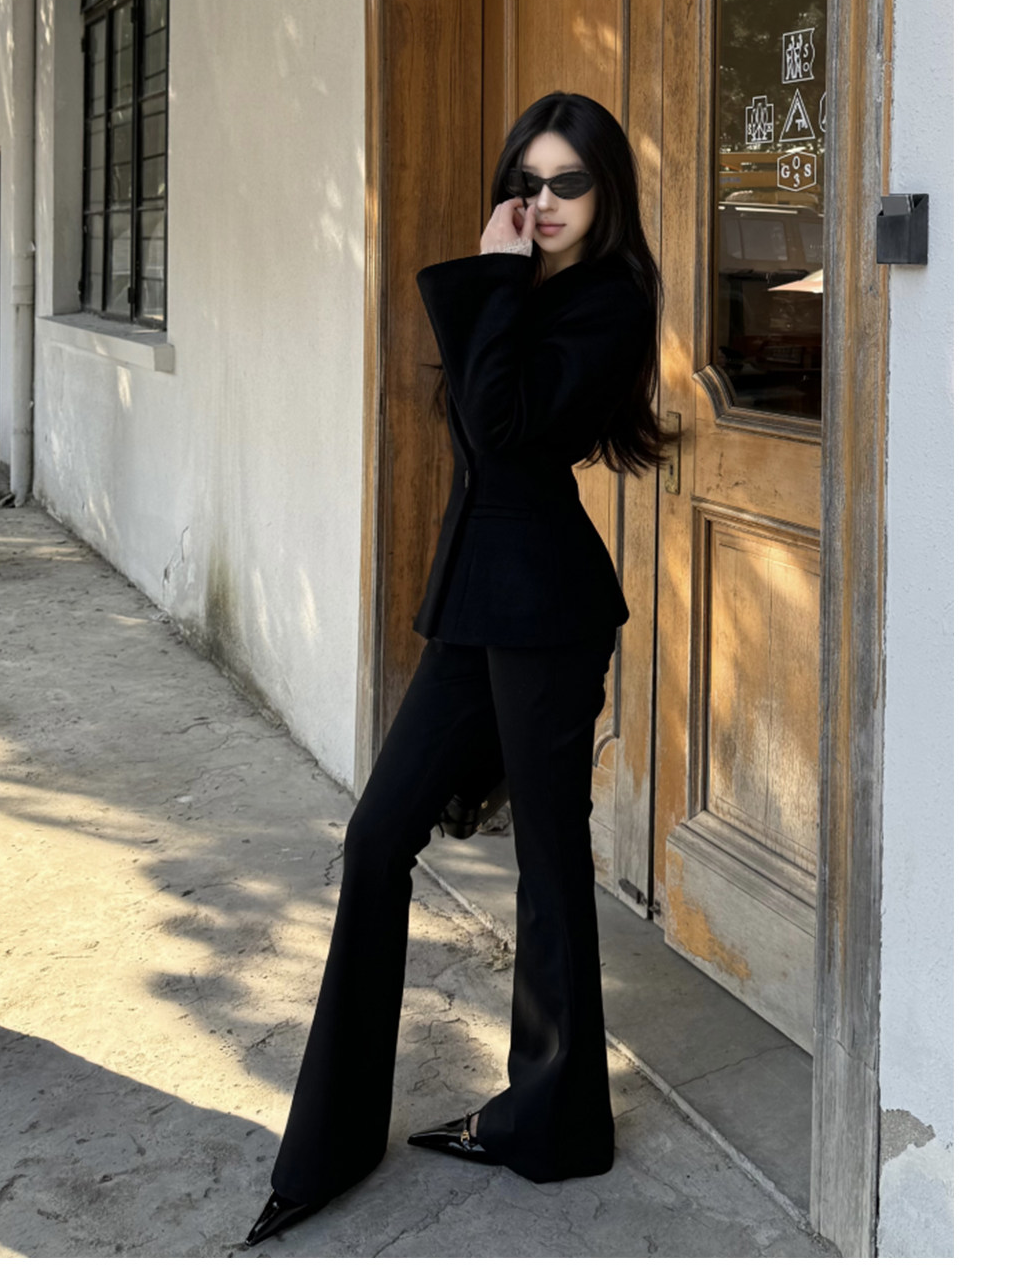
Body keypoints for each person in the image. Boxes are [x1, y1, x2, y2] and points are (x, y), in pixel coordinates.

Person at [242, 90, 668, 1248]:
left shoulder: (610, 300)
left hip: (546, 613)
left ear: (604, 193)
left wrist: (493, 279)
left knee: (548, 861)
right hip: (477, 602)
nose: (543, 201)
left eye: (566, 182)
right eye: (526, 181)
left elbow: (498, 426)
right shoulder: (525, 290)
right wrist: (498, 285)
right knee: (377, 834)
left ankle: (555, 1119)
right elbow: (484, 426)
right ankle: (331, 1141)